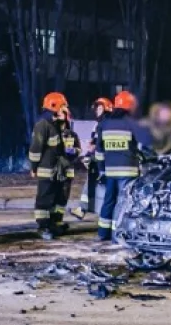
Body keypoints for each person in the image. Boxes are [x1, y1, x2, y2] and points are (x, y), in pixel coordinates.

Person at [28, 92, 77, 240]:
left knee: (58, 199)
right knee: (45, 199)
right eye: (63, 106)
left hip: (59, 171)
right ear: (54, 106)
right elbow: (35, 148)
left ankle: (54, 223)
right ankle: (43, 227)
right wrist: (34, 167)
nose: (65, 109)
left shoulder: (58, 125)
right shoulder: (43, 125)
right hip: (46, 170)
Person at [95, 91, 142, 242]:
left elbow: (99, 151)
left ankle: (103, 233)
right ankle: (118, 235)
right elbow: (143, 145)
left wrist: (101, 169)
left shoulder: (105, 124)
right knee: (124, 203)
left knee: (108, 201)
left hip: (109, 171)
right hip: (128, 171)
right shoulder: (132, 123)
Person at [72, 97, 112, 220]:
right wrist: (88, 155)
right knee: (91, 182)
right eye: (97, 108)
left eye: (100, 108)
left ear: (106, 109)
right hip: (98, 158)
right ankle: (83, 208)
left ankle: (85, 209)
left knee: (102, 185)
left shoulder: (107, 124)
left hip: (105, 160)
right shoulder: (98, 125)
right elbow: (93, 143)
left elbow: (99, 145)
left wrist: (91, 154)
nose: (97, 111)